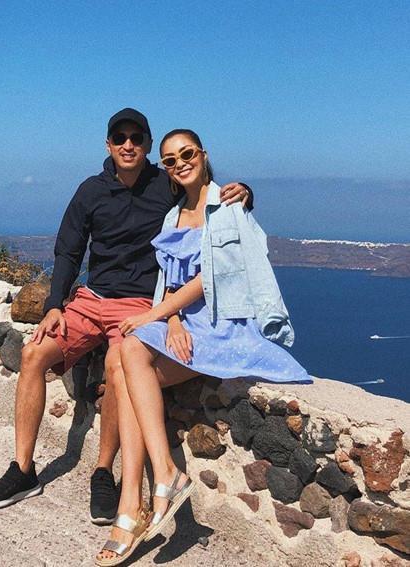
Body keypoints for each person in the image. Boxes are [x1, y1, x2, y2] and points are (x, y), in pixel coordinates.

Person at [0, 110, 252, 525]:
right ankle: (23, 470)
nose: (128, 144)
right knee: (33, 354)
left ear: (147, 145)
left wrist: (246, 191)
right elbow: (68, 250)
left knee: (116, 367)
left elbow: (203, 195)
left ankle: (103, 472)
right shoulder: (91, 190)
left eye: (136, 138)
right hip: (91, 299)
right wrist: (55, 304)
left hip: (140, 304)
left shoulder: (165, 184)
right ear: (108, 144)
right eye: (119, 137)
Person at [95, 129, 310, 566]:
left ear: (203, 154)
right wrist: (171, 320)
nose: (180, 163)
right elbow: (170, 283)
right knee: (122, 358)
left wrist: (155, 315)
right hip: (188, 323)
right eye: (170, 160)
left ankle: (136, 502)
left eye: (187, 153)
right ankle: (149, 487)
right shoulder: (172, 218)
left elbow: (210, 277)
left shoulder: (228, 205)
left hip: (225, 327)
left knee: (125, 356)